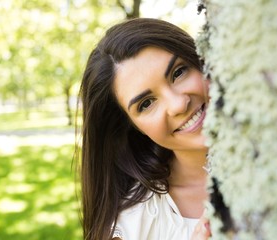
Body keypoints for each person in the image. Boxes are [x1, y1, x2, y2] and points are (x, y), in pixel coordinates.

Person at [77, 18, 212, 240]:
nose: (178, 104)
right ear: (132, 126)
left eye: (178, 73)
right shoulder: (132, 227)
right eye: (146, 103)